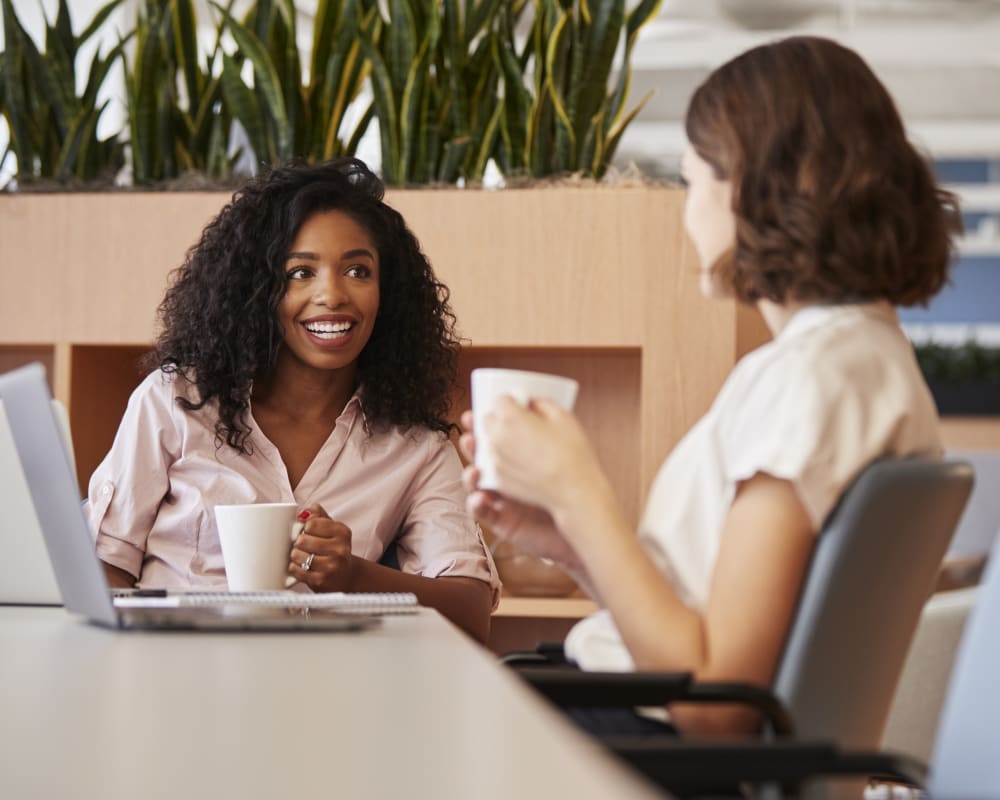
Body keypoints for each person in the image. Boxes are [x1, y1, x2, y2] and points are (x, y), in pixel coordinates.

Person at [459, 35, 962, 731]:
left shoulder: (813, 381)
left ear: (753, 189)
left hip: (649, 746)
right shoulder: (857, 361)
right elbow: (699, 621)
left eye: (692, 183)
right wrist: (563, 535)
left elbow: (716, 706)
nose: (686, 212)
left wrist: (580, 492)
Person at [87, 157, 499, 642]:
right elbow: (102, 568)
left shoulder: (414, 447)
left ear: (386, 293)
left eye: (358, 271)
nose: (332, 295)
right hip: (174, 677)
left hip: (326, 695)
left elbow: (472, 612)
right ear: (258, 289)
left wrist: (353, 576)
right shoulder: (175, 401)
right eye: (300, 272)